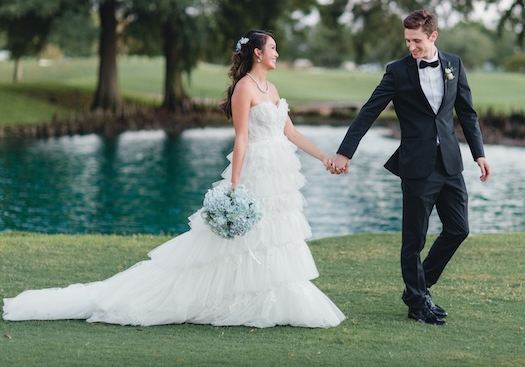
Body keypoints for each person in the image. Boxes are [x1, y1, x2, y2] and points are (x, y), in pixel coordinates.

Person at [3, 30, 345, 329]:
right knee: (242, 239)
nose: (276, 53)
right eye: (272, 48)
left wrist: (325, 157)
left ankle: (272, 294)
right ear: (257, 53)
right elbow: (241, 139)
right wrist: (234, 186)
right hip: (256, 170)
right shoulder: (244, 89)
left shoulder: (271, 88)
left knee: (273, 237)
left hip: (281, 171)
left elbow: (292, 133)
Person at [329, 10, 491, 326]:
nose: (411, 47)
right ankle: (418, 303)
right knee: (413, 240)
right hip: (416, 166)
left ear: (433, 36)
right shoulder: (397, 72)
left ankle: (419, 288)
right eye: (407, 41)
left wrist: (479, 154)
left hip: (450, 164)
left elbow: (467, 114)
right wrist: (345, 152)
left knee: (459, 229)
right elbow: (368, 112)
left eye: (416, 41)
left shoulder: (453, 65)